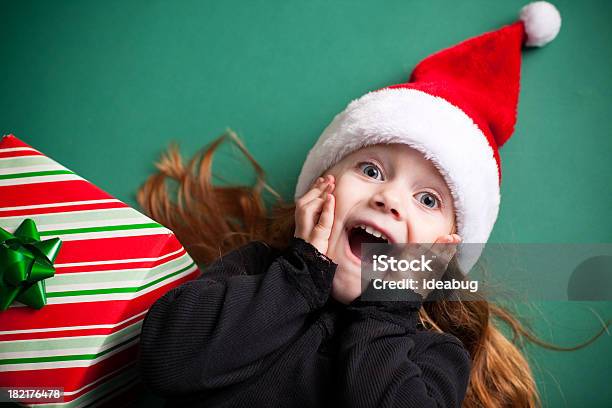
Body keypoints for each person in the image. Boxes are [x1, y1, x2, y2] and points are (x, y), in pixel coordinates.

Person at [136, 3, 605, 407]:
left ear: (440, 253)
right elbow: (166, 360)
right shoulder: (257, 271)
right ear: (319, 190)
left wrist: (386, 307)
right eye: (371, 170)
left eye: (427, 199)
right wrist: (301, 275)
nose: (389, 198)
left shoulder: (432, 359)